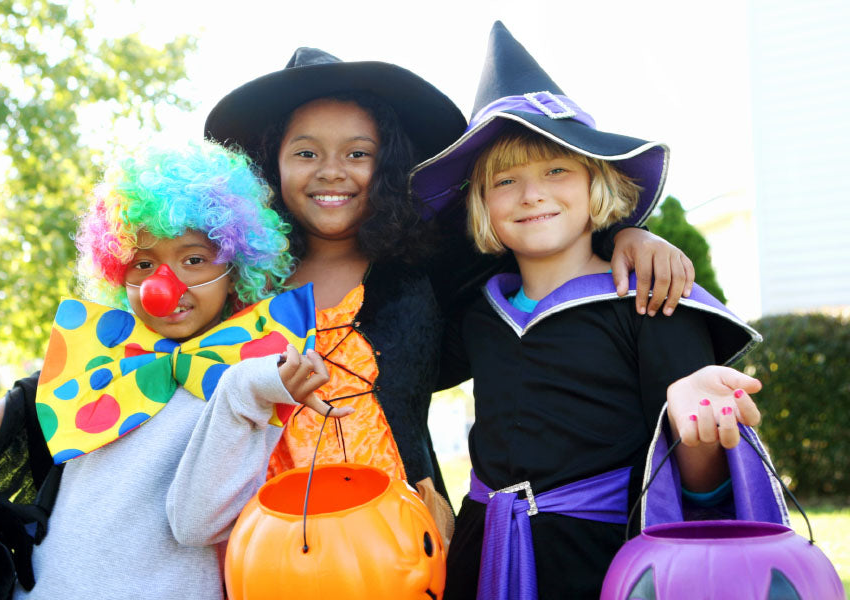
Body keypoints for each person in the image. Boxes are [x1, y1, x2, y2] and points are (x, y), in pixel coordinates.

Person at [203, 47, 697, 543]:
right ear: (271, 165)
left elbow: (533, 236)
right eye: (306, 153)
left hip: (402, 541)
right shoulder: (238, 281)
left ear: (389, 165)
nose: (332, 171)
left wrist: (627, 235)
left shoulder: (428, 266)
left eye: (358, 153)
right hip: (261, 538)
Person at [412, 22, 789, 599]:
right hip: (484, 555)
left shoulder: (653, 302)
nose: (532, 193)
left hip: (602, 563)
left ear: (598, 183)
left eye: (557, 169)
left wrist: (701, 431)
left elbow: (697, 484)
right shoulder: (479, 314)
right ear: (482, 206)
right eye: (505, 180)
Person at [0, 141, 350, 599]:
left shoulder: (248, 379)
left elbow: (196, 524)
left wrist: (244, 391)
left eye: (193, 259)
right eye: (143, 263)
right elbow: (40, 414)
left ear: (236, 267)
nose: (163, 286)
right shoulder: (105, 360)